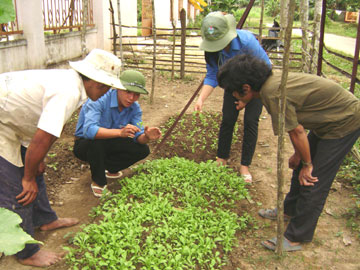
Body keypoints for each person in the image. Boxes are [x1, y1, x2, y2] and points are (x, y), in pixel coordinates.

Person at [217, 54, 360, 251]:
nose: (233, 96)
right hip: (326, 120)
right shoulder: (270, 84)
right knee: (300, 167)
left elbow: (297, 130)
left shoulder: (272, 93)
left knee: (313, 178)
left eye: (233, 92)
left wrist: (307, 164)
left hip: (344, 121)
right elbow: (296, 126)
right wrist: (300, 157)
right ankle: (289, 210)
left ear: (246, 88)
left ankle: (296, 236)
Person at [0, 48, 124, 267]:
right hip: (3, 123)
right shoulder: (68, 91)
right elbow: (42, 137)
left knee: (35, 167)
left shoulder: (75, 86)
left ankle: (45, 220)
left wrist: (37, 161)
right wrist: (27, 177)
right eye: (106, 86)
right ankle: (26, 251)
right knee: (17, 187)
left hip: (13, 120)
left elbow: (52, 129)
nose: (106, 92)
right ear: (95, 81)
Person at [195, 11, 271, 183]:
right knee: (228, 119)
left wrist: (247, 98)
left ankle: (245, 165)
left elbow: (266, 70)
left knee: (251, 121)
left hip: (256, 86)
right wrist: (201, 99)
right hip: (233, 86)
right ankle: (221, 157)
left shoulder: (247, 42)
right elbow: (213, 75)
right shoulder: (212, 51)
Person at [73, 70, 162, 197]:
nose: (132, 98)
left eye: (136, 94)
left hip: (110, 142)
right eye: (128, 92)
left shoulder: (135, 108)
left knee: (143, 150)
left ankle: (109, 168)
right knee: (96, 141)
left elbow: (137, 137)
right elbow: (89, 131)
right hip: (85, 144)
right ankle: (98, 182)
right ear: (118, 88)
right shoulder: (99, 98)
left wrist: (146, 136)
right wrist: (120, 132)